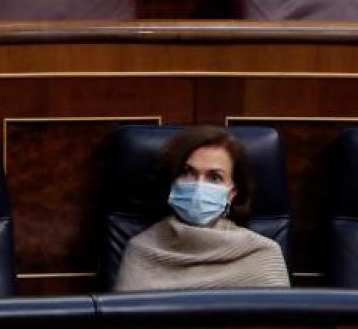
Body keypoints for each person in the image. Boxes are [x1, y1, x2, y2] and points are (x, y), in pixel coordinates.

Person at [114, 125, 290, 291]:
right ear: (171, 182)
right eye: (186, 173)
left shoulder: (263, 253)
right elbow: (124, 321)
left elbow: (278, 321)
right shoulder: (141, 250)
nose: (198, 186)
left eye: (214, 177)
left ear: (232, 193)